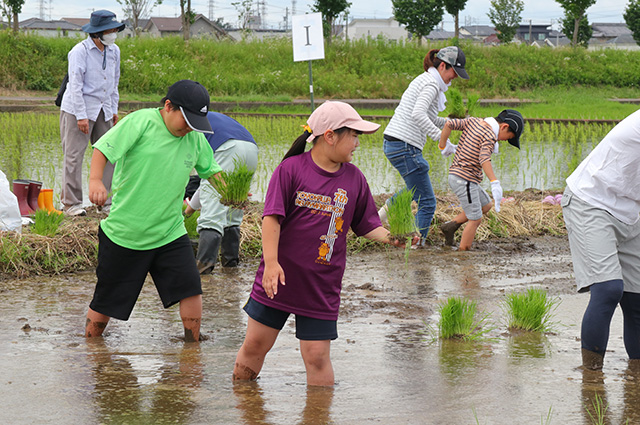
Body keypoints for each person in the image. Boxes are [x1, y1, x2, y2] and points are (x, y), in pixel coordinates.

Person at [232, 101, 409, 386]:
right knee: (255, 346)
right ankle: (243, 403)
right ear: (329, 136)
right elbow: (271, 219)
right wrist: (271, 264)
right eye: (353, 135)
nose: (357, 144)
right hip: (278, 279)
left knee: (316, 356)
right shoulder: (290, 170)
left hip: (320, 285)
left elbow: (368, 225)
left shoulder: (355, 179)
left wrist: (393, 237)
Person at [85, 80, 222, 342]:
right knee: (106, 302)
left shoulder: (194, 138)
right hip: (126, 233)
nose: (189, 128)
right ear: (168, 106)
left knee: (191, 289)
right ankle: (91, 350)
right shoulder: (141, 122)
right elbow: (102, 149)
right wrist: (95, 181)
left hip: (169, 231)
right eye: (186, 120)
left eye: (195, 123)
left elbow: (211, 170)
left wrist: (232, 192)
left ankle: (192, 349)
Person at [561, 109, 640, 370]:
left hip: (630, 209)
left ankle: (635, 379)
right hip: (591, 200)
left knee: (637, 299)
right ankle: (592, 379)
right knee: (608, 289)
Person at [380, 46, 469, 246]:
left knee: (414, 189)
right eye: (454, 73)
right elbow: (417, 115)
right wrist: (442, 140)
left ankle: (378, 219)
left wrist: (455, 124)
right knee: (427, 202)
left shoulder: (425, 79)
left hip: (394, 143)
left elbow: (428, 117)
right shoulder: (431, 84)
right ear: (444, 65)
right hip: (405, 146)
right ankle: (418, 246)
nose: (453, 79)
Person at [59, 10, 125, 217]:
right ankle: (71, 204)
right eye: (110, 30)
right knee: (73, 156)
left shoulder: (114, 51)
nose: (114, 33)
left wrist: (113, 109)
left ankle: (105, 202)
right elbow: (75, 85)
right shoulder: (79, 52)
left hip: (104, 109)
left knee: (109, 154)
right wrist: (81, 116)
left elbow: (114, 83)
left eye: (115, 29)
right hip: (78, 109)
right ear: (97, 32)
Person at [438, 109, 523, 250]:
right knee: (476, 219)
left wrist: (443, 144)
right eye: (508, 137)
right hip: (464, 179)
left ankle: (450, 227)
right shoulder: (489, 135)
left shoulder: (473, 121)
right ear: (504, 127)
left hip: (461, 177)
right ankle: (463, 252)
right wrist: (494, 182)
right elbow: (484, 159)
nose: (504, 140)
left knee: (486, 205)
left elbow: (449, 124)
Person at [184, 112, 259, 273]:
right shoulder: (203, 116)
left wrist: (187, 211)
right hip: (251, 149)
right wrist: (189, 210)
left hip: (225, 147)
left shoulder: (187, 122)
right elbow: (208, 182)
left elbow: (208, 180)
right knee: (233, 209)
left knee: (212, 216)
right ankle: (230, 267)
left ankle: (203, 270)